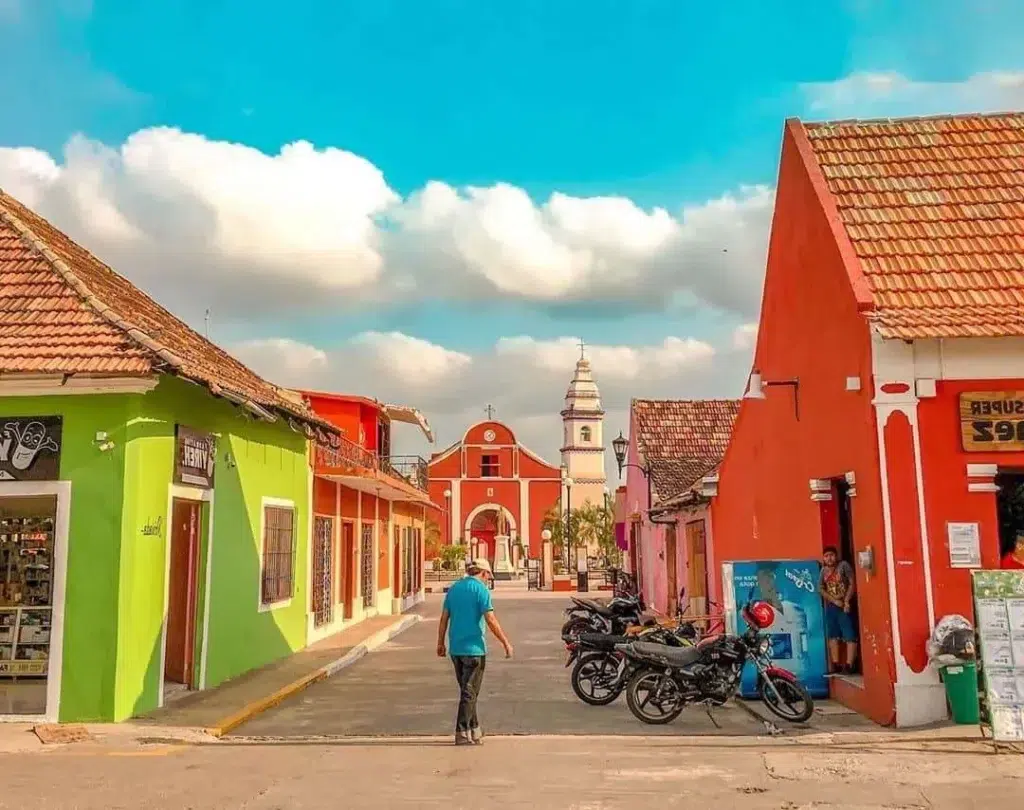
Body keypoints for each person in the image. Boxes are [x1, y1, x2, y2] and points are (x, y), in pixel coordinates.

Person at [436, 558, 513, 745]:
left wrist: (440, 643)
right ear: (484, 573)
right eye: (488, 576)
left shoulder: (454, 589)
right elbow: (491, 619)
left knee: (468, 691)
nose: (488, 579)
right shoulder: (481, 590)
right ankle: (461, 731)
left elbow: (444, 618)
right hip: (475, 649)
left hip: (456, 649)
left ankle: (475, 730)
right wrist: (505, 643)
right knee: (470, 692)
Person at [819, 545, 858, 675]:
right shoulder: (823, 571)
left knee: (849, 635)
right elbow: (820, 588)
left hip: (844, 604)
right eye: (826, 556)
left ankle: (849, 665)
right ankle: (835, 664)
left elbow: (852, 583)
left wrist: (846, 601)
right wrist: (832, 600)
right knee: (833, 635)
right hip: (832, 605)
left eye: (831, 555)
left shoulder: (844, 566)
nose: (829, 558)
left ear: (836, 556)